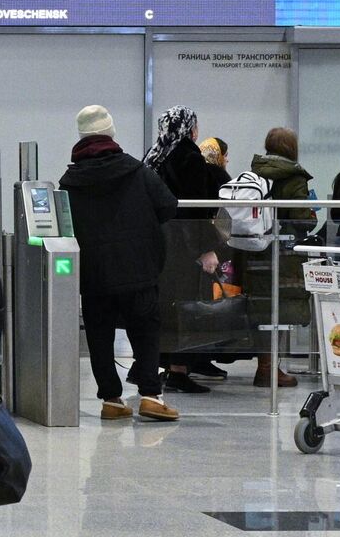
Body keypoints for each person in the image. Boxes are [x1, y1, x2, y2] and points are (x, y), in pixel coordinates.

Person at [58, 106, 181, 422]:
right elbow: (168, 206)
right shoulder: (137, 171)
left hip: (93, 274)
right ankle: (150, 396)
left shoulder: (70, 182)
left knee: (99, 335)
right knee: (145, 331)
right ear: (110, 132)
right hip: (139, 269)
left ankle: (111, 400)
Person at [144, 107, 223, 394]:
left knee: (161, 305)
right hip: (183, 245)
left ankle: (152, 365)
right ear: (191, 129)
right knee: (185, 306)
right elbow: (197, 209)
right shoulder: (190, 157)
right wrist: (206, 248)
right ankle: (178, 370)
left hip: (154, 243)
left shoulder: (153, 156)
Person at [250, 128, 314, 390]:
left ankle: (264, 365)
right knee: (283, 306)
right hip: (284, 252)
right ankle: (269, 369)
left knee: (262, 306)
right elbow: (300, 218)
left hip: (256, 249)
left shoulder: (255, 171)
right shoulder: (294, 177)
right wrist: (311, 214)